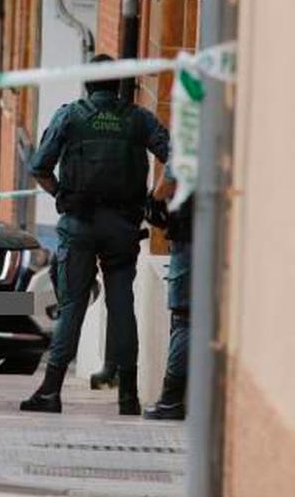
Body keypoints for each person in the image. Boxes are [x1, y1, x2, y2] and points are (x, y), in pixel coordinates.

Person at [20, 54, 170, 414]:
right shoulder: (138, 119)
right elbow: (177, 158)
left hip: (80, 226)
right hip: (123, 228)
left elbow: (39, 167)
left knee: (72, 306)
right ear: (119, 83)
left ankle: (51, 391)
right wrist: (154, 199)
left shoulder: (70, 115)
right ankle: (129, 396)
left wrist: (61, 195)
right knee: (122, 307)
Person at [144, 173, 191, 420]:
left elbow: (167, 182)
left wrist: (154, 198)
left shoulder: (192, 137)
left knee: (184, 319)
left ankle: (171, 400)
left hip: (189, 238)